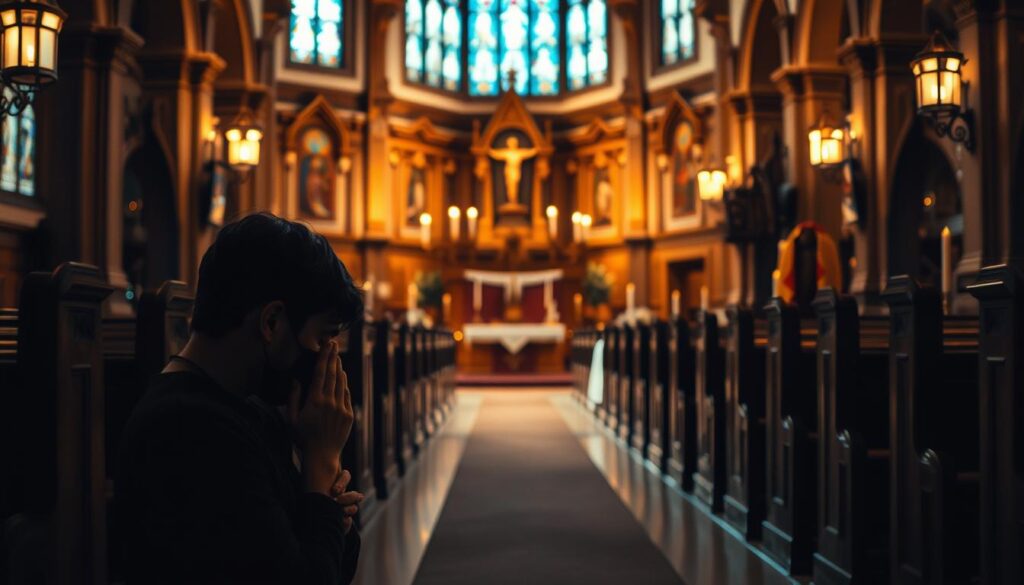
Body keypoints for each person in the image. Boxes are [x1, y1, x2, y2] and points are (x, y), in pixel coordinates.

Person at [117, 213, 365, 584]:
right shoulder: (190, 431)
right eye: (323, 338)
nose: (329, 358)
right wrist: (323, 460)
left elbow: (327, 560)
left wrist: (322, 507)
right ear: (272, 323)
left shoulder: (247, 406)